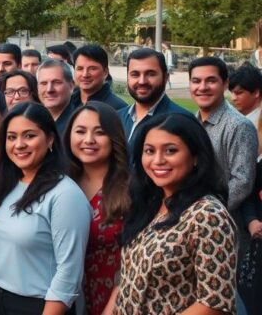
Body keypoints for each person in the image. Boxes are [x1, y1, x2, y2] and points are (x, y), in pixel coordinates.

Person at [106, 114, 238, 314]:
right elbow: (128, 276)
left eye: (171, 150)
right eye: (149, 151)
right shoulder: (149, 204)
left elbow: (214, 303)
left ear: (195, 156)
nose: (158, 160)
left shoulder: (208, 215)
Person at [0, 102, 91, 315]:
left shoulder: (65, 195)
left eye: (29, 136)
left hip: (39, 306)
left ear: (50, 139)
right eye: (11, 137)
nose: (19, 144)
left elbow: (68, 274)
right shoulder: (8, 184)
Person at [63, 102, 130, 315]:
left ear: (114, 138)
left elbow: (135, 260)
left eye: (99, 132)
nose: (88, 140)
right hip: (64, 299)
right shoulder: (60, 184)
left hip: (116, 299)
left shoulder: (132, 189)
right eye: (80, 131)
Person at [188, 56, 258, 217]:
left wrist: (206, 214)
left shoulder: (239, 126)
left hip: (222, 223)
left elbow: (242, 182)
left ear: (225, 84)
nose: (202, 87)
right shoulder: (192, 121)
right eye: (196, 81)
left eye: (211, 81)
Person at [120, 48, 194, 140]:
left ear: (166, 78)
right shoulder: (117, 118)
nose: (142, 81)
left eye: (150, 74)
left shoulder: (184, 121)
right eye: (135, 74)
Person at [72, 45, 127, 110]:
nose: (85, 75)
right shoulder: (66, 103)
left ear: (105, 72)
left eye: (92, 68)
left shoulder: (119, 109)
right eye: (80, 69)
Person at [36, 59, 77, 135]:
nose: (49, 89)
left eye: (56, 83)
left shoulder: (80, 123)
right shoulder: (33, 121)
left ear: (71, 86)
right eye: (43, 83)